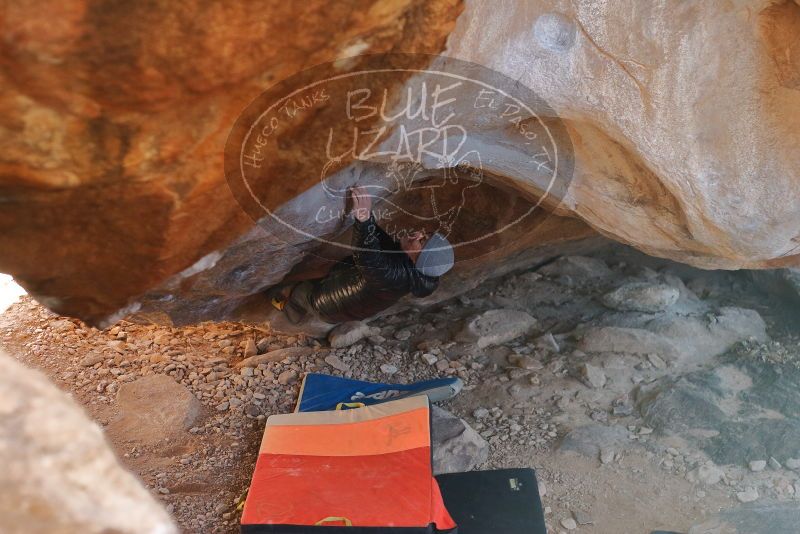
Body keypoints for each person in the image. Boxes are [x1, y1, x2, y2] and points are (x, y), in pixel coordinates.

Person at [270, 186, 454, 324]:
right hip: (349, 290)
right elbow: (378, 240)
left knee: (301, 291)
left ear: (419, 259)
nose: (418, 234)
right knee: (320, 277)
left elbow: (368, 257)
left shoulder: (394, 278)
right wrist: (366, 221)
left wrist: (364, 217)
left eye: (421, 241)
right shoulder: (415, 269)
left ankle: (290, 310)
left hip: (329, 307)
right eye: (426, 234)